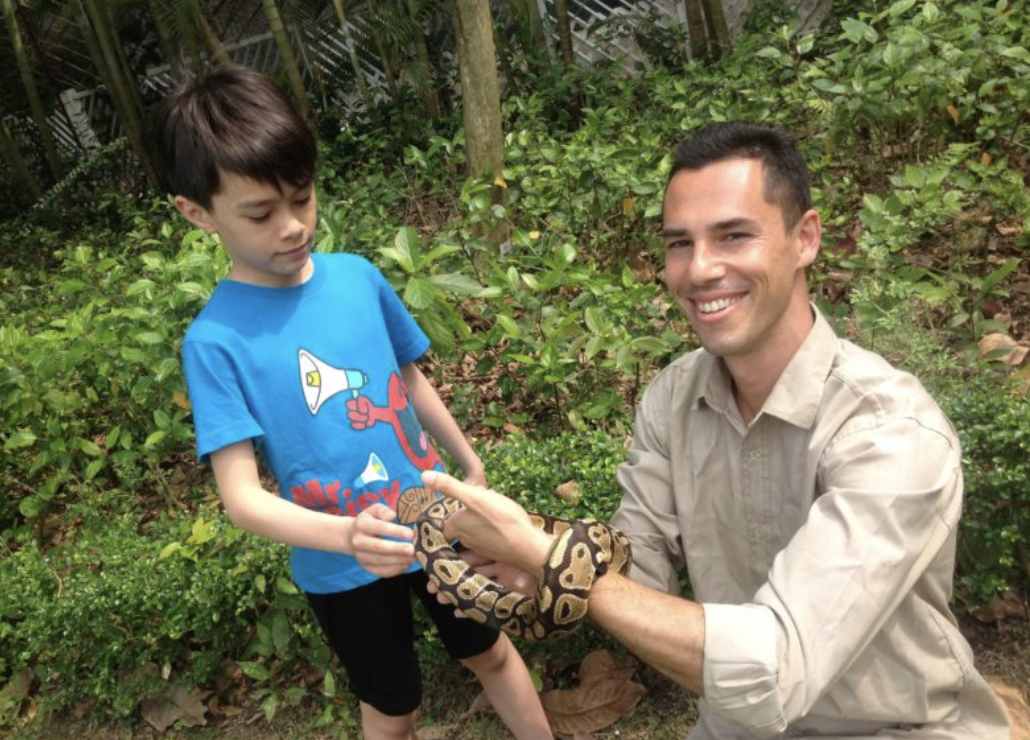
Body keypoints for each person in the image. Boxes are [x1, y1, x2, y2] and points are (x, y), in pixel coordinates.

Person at [421, 122, 1011, 739]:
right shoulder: (672, 397)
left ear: (804, 238)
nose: (700, 270)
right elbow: (633, 565)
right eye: (680, 244)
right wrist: (532, 568)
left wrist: (556, 560)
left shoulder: (891, 428)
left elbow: (777, 666)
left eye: (733, 236)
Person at [153, 64, 552, 740]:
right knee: (394, 706)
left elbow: (408, 379)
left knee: (489, 649)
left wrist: (467, 459)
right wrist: (346, 537)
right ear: (196, 212)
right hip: (340, 565)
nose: (292, 226)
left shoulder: (358, 277)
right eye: (260, 213)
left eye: (302, 199)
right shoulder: (215, 343)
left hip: (435, 519)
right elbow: (242, 499)